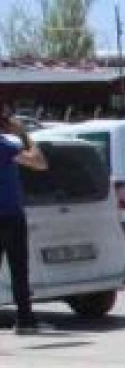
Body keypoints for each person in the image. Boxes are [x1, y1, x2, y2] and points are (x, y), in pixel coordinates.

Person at [0, 102, 48, 335]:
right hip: (9, 215)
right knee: (19, 269)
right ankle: (25, 319)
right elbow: (39, 163)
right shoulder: (5, 146)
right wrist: (24, 134)